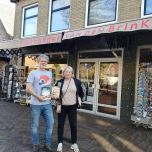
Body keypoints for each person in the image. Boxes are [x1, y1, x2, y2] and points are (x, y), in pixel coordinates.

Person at [26, 54, 54, 152]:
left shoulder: (50, 73)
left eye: (45, 61)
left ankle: (47, 144)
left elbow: (49, 86)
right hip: (35, 104)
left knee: (50, 123)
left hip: (47, 103)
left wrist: (52, 94)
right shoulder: (33, 73)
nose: (43, 62)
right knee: (35, 125)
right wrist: (38, 97)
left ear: (47, 63)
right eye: (41, 61)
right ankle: (36, 144)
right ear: (38, 62)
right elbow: (28, 89)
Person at [55, 66, 85, 152]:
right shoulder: (59, 82)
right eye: (66, 71)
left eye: (69, 72)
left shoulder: (77, 82)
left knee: (73, 125)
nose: (67, 73)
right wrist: (56, 103)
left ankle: (74, 143)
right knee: (60, 125)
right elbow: (55, 94)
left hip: (72, 107)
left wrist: (80, 101)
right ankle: (60, 143)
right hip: (62, 107)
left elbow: (83, 91)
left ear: (72, 73)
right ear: (63, 73)